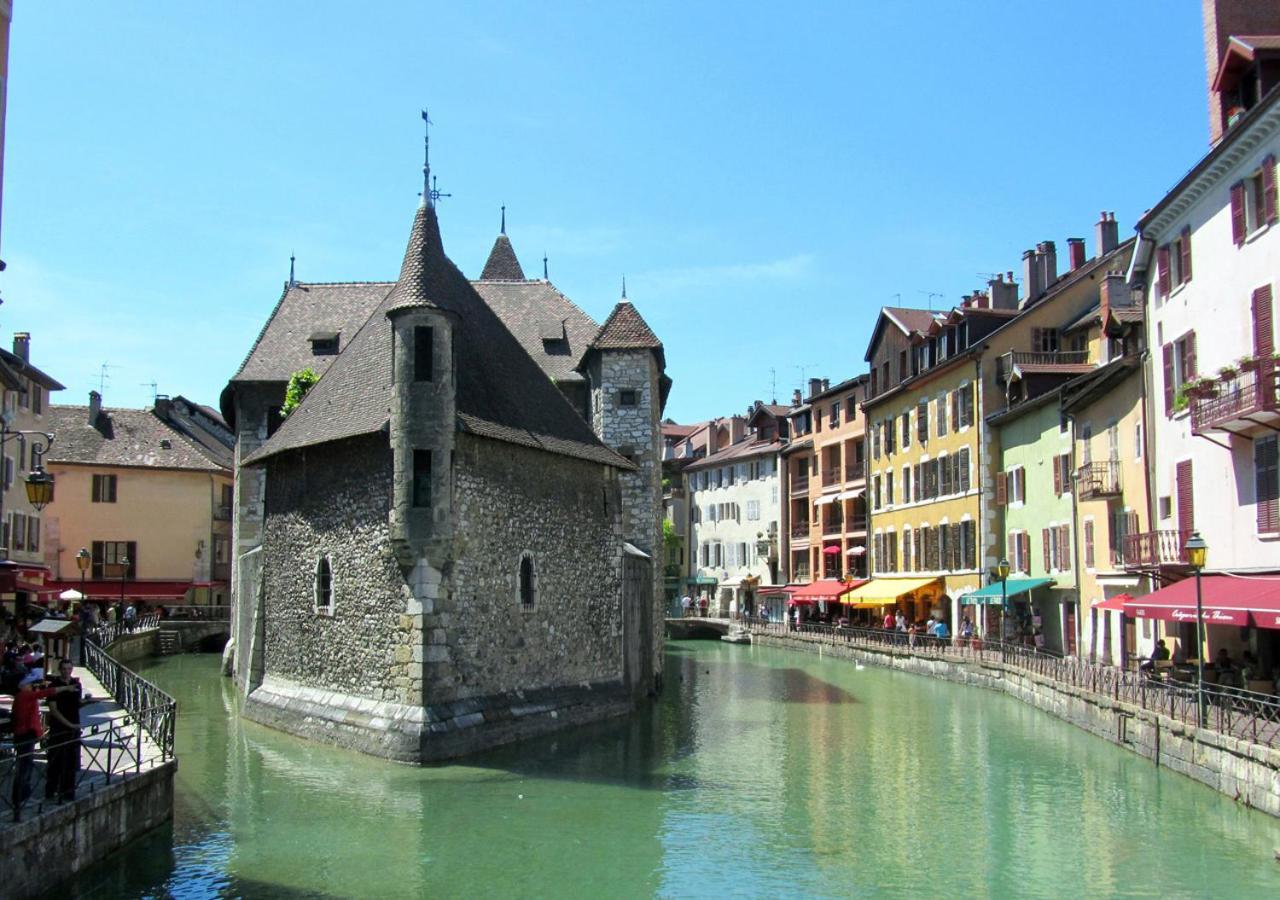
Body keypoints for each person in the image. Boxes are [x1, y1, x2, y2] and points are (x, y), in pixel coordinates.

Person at [10, 673, 77, 809]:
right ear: (24, 686)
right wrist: (66, 688)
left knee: (26, 766)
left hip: (24, 735)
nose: (33, 686)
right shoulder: (24, 695)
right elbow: (47, 692)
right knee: (24, 768)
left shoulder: (22, 696)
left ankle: (23, 797)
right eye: (30, 684)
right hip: (25, 736)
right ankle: (20, 799)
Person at [46, 659, 92, 802]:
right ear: (60, 670)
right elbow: (53, 710)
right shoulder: (54, 686)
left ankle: (68, 791)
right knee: (55, 760)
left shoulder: (77, 684)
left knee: (72, 761)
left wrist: (86, 702)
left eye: (69, 669)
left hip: (73, 727)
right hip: (59, 728)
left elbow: (75, 704)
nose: (67, 671)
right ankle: (51, 791)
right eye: (64, 669)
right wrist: (69, 724)